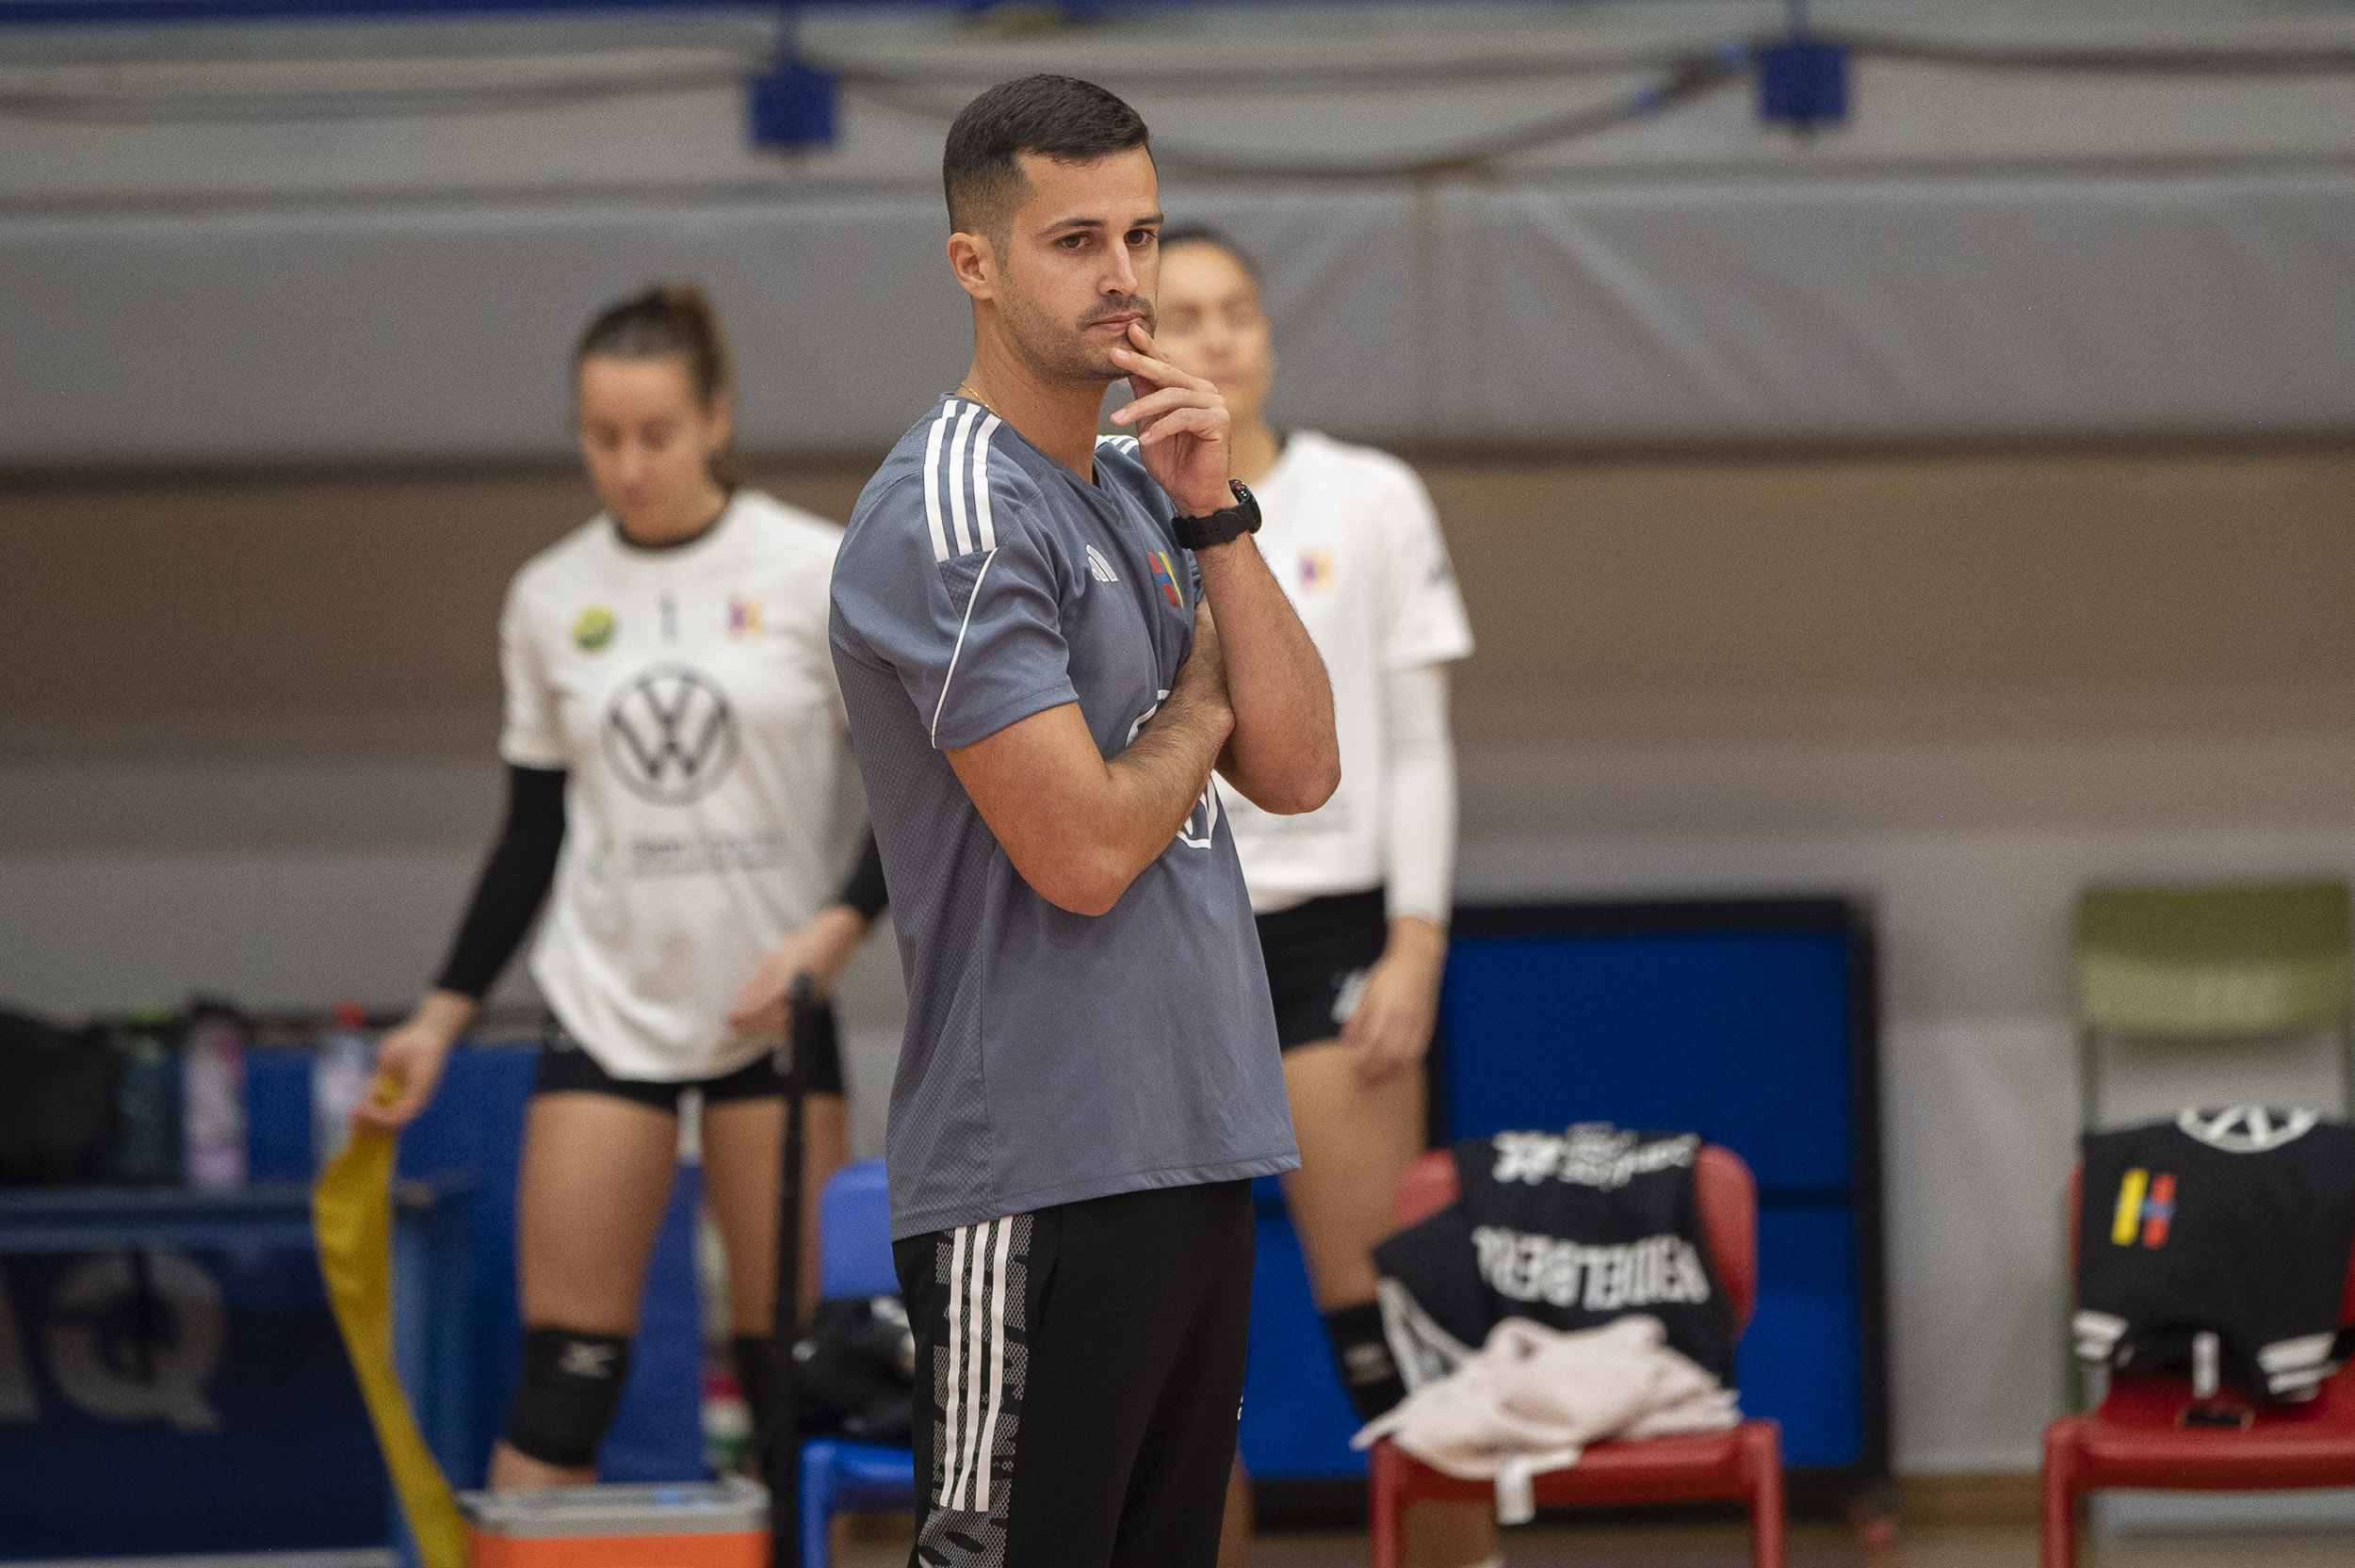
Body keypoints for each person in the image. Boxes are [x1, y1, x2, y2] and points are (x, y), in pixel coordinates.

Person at [828, 75, 1340, 1568]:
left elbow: (1303, 767)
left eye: (1142, 234)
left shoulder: (1134, 482)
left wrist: (1216, 512)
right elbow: (1086, 851)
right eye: (1075, 241)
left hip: (1192, 1138)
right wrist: (1196, 708)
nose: (1125, 276)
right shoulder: (949, 511)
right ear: (974, 264)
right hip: (1035, 1171)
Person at [354, 284, 886, 1488]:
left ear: (717, 418)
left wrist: (836, 932)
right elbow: (530, 831)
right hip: (607, 1006)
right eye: (602, 438)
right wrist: (438, 1018)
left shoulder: (813, 568)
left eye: (656, 434)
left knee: (795, 1389)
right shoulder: (550, 595)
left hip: (772, 1011)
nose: (629, 466)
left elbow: (916, 801)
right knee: (564, 1381)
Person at [1151, 234, 1489, 1568]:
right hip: (1167, 938)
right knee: (1181, 1348)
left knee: (1387, 1324)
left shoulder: (1371, 496)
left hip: (1334, 939)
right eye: (1185, 315)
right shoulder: (1108, 504)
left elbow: (1420, 743)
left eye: (1237, 309)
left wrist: (1417, 940)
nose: (1218, 337)